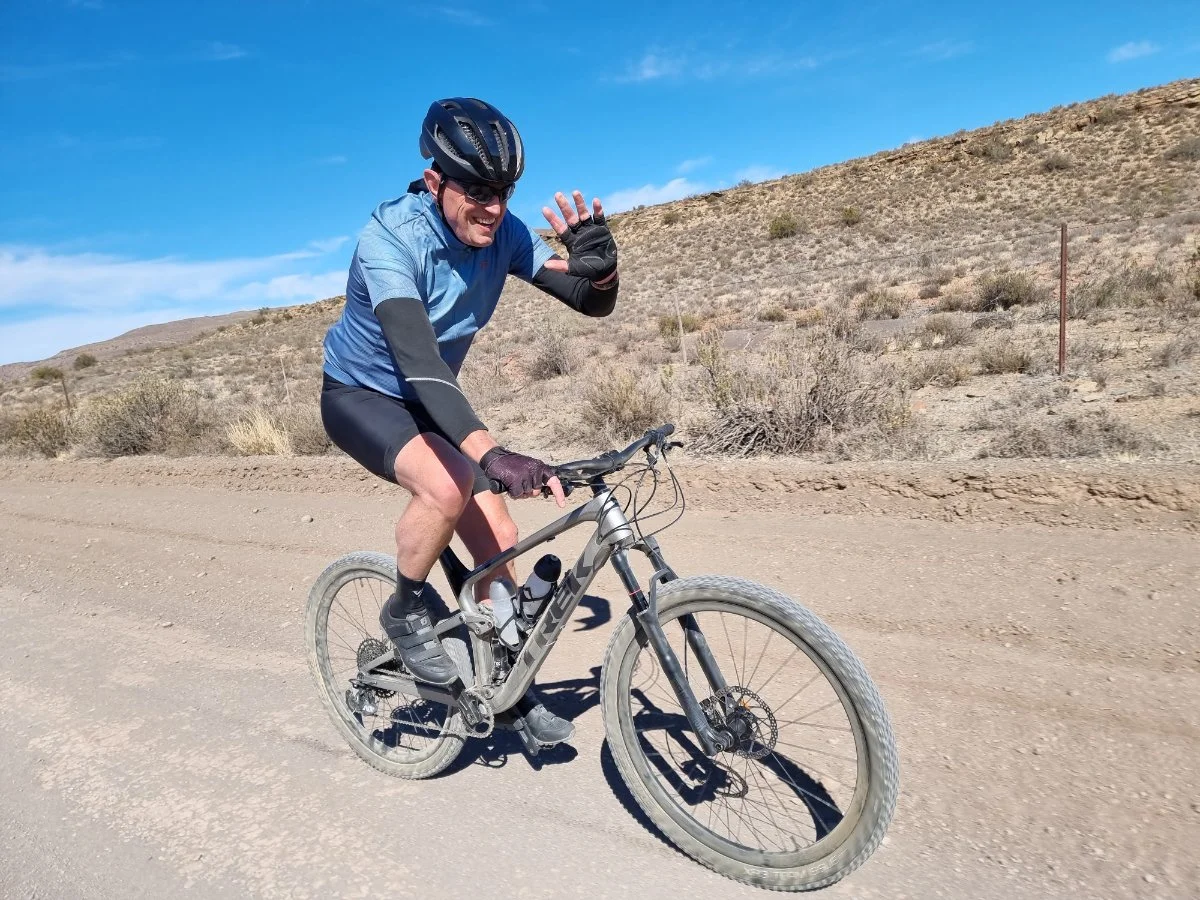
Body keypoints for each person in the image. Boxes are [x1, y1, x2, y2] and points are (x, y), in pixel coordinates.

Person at [320, 97, 619, 745]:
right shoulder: (390, 239)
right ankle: (404, 612)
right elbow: (419, 361)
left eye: (505, 191)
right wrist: (490, 454)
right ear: (435, 181)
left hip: (428, 401)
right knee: (449, 485)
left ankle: (507, 691)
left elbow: (589, 302)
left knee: (499, 538)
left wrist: (602, 266)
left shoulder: (503, 234)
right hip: (363, 395)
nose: (494, 207)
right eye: (479, 192)